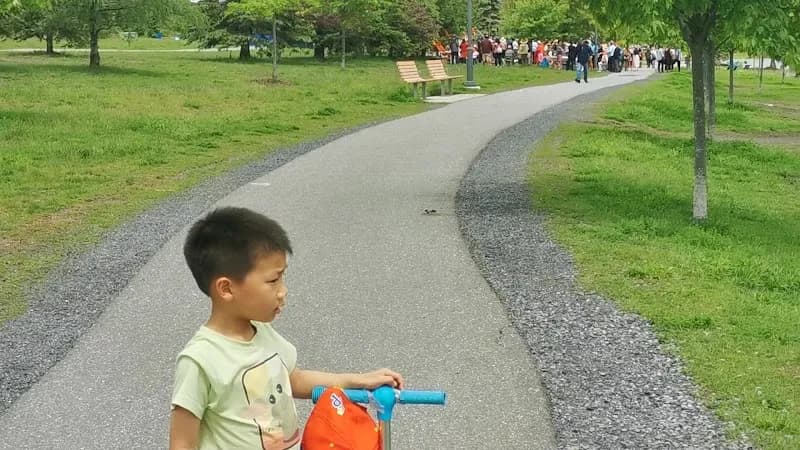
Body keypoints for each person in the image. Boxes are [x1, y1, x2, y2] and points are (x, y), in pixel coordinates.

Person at [169, 207, 404, 450]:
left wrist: (358, 380)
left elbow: (294, 379)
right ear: (226, 289)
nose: (283, 290)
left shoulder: (263, 333)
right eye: (273, 280)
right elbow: (182, 442)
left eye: (283, 277)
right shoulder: (200, 359)